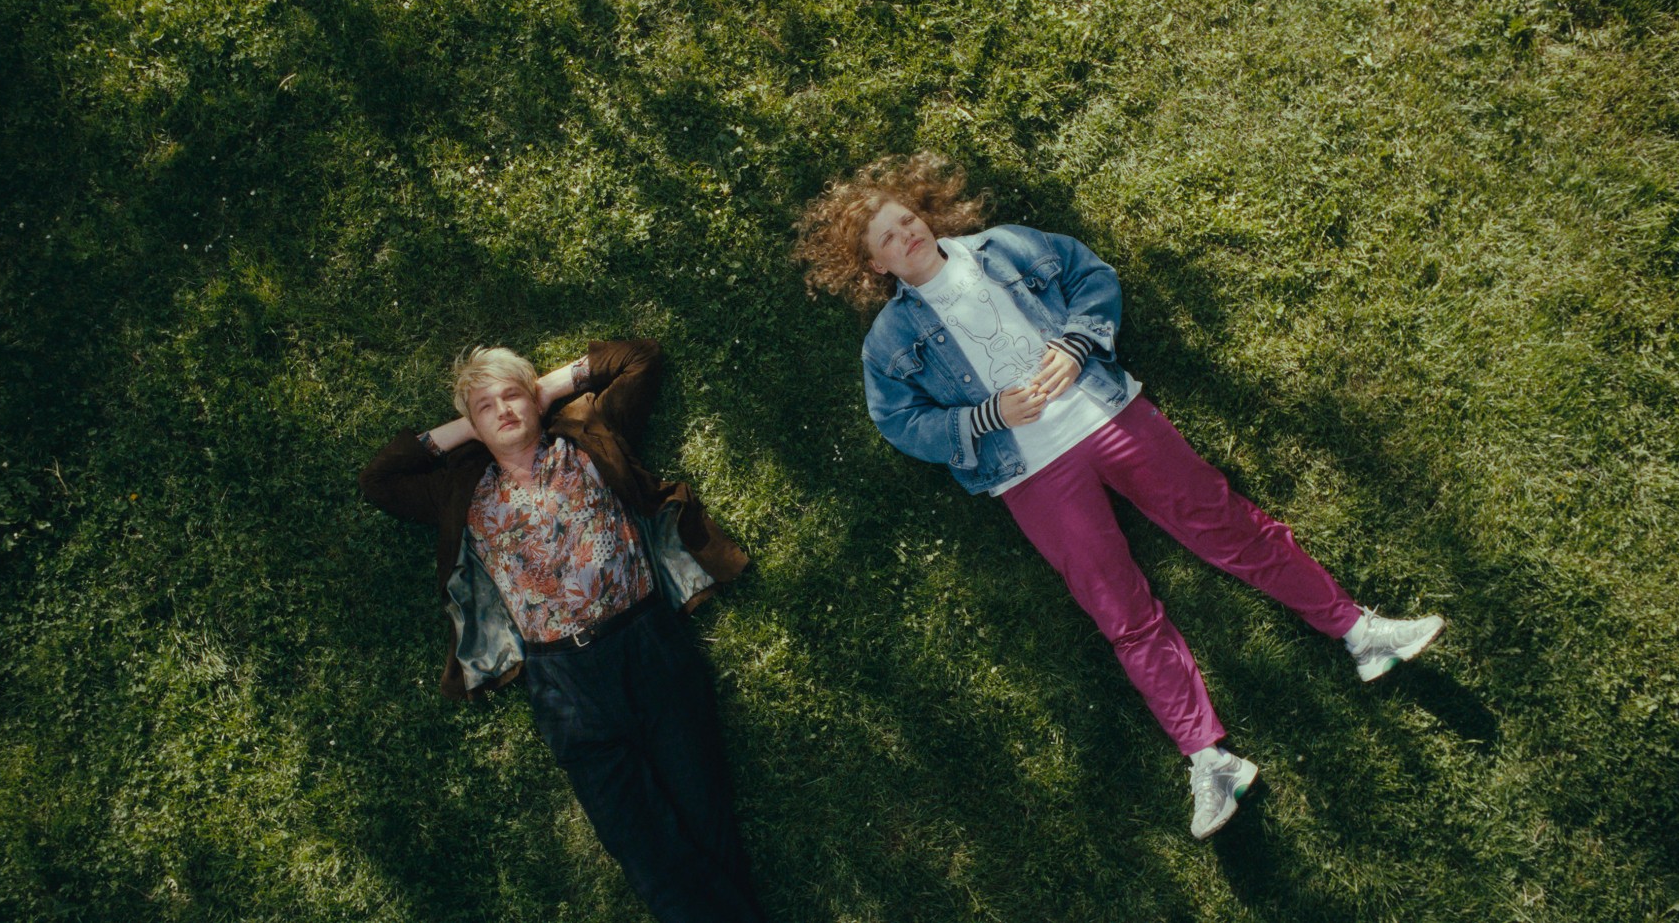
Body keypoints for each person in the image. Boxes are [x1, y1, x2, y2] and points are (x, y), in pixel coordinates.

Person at [794, 152, 1446, 840]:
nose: (907, 236)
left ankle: (1359, 632)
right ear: (876, 267)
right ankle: (1210, 760)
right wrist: (986, 417)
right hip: (1031, 473)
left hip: (1109, 416)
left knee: (1231, 526)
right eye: (888, 239)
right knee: (1121, 611)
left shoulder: (1004, 247)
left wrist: (1078, 344)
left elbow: (1092, 276)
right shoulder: (887, 343)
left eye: (906, 220)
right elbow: (901, 424)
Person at [358, 338, 765, 921]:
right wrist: (467, 426)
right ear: (471, 425)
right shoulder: (460, 490)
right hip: (563, 682)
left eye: (511, 396)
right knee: (643, 847)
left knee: (707, 819)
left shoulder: (587, 434)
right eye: (485, 406)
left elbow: (640, 359)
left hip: (648, 644)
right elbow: (378, 480)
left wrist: (545, 390)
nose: (503, 410)